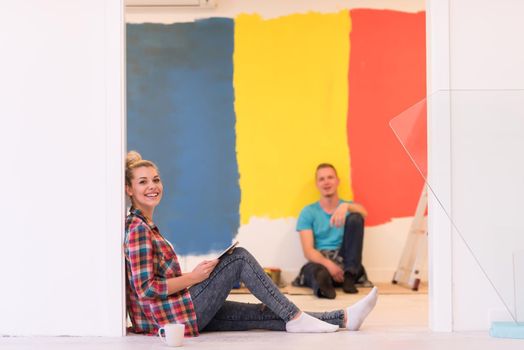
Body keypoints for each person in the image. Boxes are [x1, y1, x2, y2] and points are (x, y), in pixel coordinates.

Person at [124, 151, 378, 337]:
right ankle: (296, 316)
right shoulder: (137, 229)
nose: (153, 186)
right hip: (173, 316)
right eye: (143, 181)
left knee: (263, 312)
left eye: (156, 180)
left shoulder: (146, 226)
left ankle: (344, 317)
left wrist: (195, 277)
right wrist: (193, 278)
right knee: (239, 258)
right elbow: (147, 289)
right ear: (129, 189)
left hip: (181, 311)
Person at [294, 163, 373, 299]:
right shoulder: (308, 212)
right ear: (317, 184)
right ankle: (324, 286)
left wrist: (346, 206)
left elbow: (364, 213)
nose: (326, 182)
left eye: (330, 177)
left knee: (356, 218)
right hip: (322, 261)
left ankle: (348, 277)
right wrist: (329, 265)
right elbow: (308, 250)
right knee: (315, 271)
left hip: (347, 261)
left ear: (337, 181)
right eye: (322, 179)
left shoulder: (348, 207)